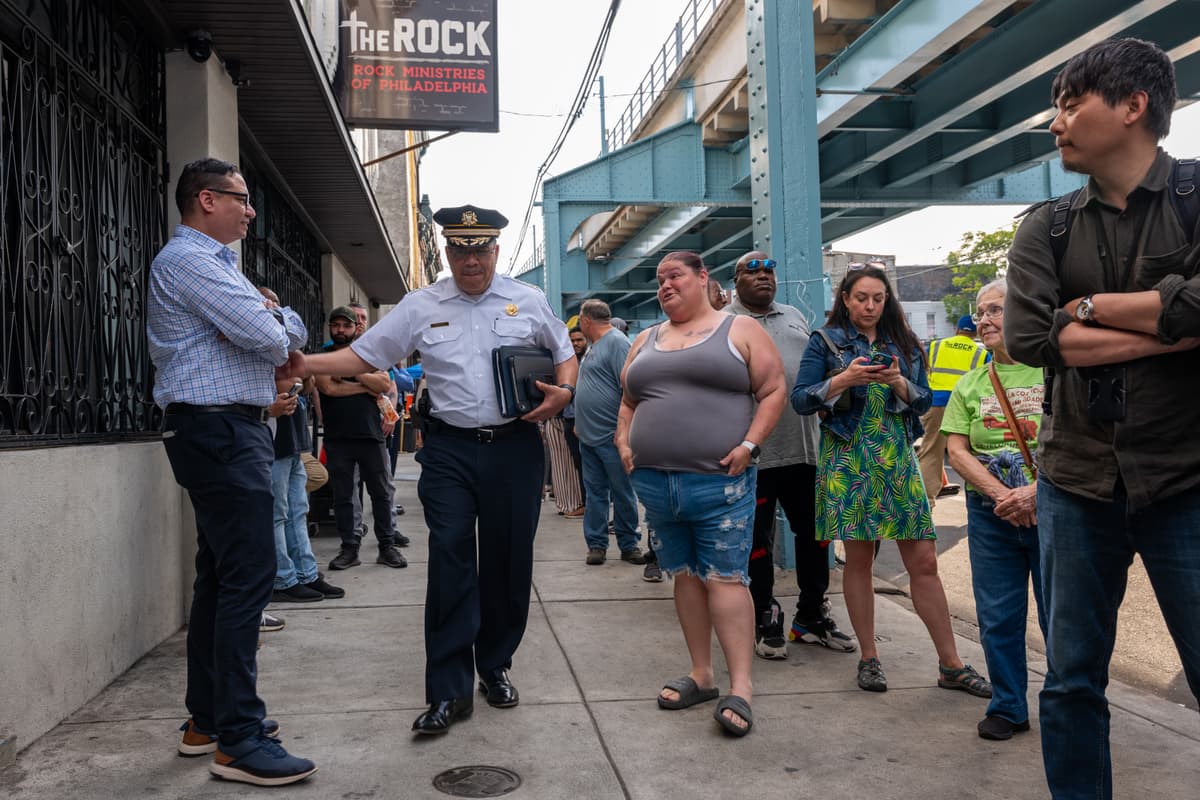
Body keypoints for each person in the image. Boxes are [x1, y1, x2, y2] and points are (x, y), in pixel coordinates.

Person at [283, 205, 577, 736]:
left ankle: (495, 664)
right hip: (449, 452)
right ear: (447, 252)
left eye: (480, 249)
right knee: (450, 563)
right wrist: (304, 364)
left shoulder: (527, 300)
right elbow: (364, 357)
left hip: (515, 448)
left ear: (495, 251)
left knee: (509, 564)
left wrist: (566, 392)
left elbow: (563, 354)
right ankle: (448, 691)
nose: (471, 259)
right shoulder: (421, 306)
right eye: (460, 249)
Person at [1004, 38, 1200, 799]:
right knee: (1072, 681)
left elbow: (1057, 331)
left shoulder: (1194, 199)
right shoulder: (1044, 227)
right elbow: (1027, 338)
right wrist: (1174, 324)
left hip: (1187, 477)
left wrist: (1083, 311)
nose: (1054, 123)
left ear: (1132, 106)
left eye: (1068, 103)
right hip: (1076, 483)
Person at [148, 158, 315, 786]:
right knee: (248, 578)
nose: (250, 211)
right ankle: (239, 741)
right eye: (241, 200)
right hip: (219, 429)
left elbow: (279, 328)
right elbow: (274, 339)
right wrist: (272, 319)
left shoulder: (219, 266)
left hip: (226, 428)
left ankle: (208, 721)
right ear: (205, 199)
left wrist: (273, 318)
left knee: (219, 578)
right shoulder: (190, 261)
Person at [792, 263, 991, 699]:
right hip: (848, 459)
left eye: (878, 299)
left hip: (896, 458)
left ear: (887, 301)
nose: (869, 306)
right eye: (861, 297)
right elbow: (801, 400)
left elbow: (922, 401)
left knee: (924, 561)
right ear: (845, 298)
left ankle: (951, 664)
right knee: (859, 559)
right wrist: (843, 379)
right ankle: (869, 657)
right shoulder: (825, 341)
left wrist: (899, 380)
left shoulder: (904, 343)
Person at [617, 250, 785, 737]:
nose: (664, 285)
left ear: (703, 278)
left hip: (719, 481)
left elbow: (773, 389)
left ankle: (742, 687)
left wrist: (750, 445)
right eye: (659, 280)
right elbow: (629, 400)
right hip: (656, 484)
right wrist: (623, 441)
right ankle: (701, 674)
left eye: (675, 276)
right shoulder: (646, 338)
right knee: (685, 576)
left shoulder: (738, 331)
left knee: (726, 580)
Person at [727, 251, 854, 659]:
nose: (764, 277)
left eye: (769, 271)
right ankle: (765, 615)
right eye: (754, 271)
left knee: (816, 536)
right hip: (754, 454)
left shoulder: (794, 315)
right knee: (756, 543)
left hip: (803, 449)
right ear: (736, 280)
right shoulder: (725, 323)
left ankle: (811, 616)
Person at [942, 279, 1047, 741]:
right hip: (992, 515)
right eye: (980, 311)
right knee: (998, 615)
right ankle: (1008, 705)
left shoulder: (1055, 371)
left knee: (1062, 615)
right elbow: (957, 450)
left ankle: (1070, 704)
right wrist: (1004, 496)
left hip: (1055, 511)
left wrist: (1037, 493)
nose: (984, 319)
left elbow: (1086, 441)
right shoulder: (972, 383)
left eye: (996, 310)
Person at [317, 306, 405, 571]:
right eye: (336, 325)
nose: (340, 330)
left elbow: (383, 385)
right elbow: (328, 388)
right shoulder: (323, 356)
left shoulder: (370, 354)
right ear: (330, 328)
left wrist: (352, 373)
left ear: (356, 328)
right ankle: (350, 548)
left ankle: (387, 547)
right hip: (338, 437)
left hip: (370, 435)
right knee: (344, 495)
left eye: (346, 325)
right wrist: (364, 385)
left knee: (381, 493)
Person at [575, 299, 645, 566]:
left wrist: (623, 432)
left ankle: (629, 545)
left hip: (611, 436)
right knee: (595, 493)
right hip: (589, 436)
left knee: (623, 492)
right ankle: (596, 544)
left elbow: (630, 387)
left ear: (586, 321)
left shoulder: (616, 343)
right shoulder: (594, 347)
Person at [917, 314, 988, 503]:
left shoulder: (935, 346)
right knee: (972, 455)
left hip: (936, 403)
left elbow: (918, 370)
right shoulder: (981, 352)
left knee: (932, 450)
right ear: (975, 332)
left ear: (957, 329)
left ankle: (925, 504)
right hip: (965, 406)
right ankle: (981, 501)